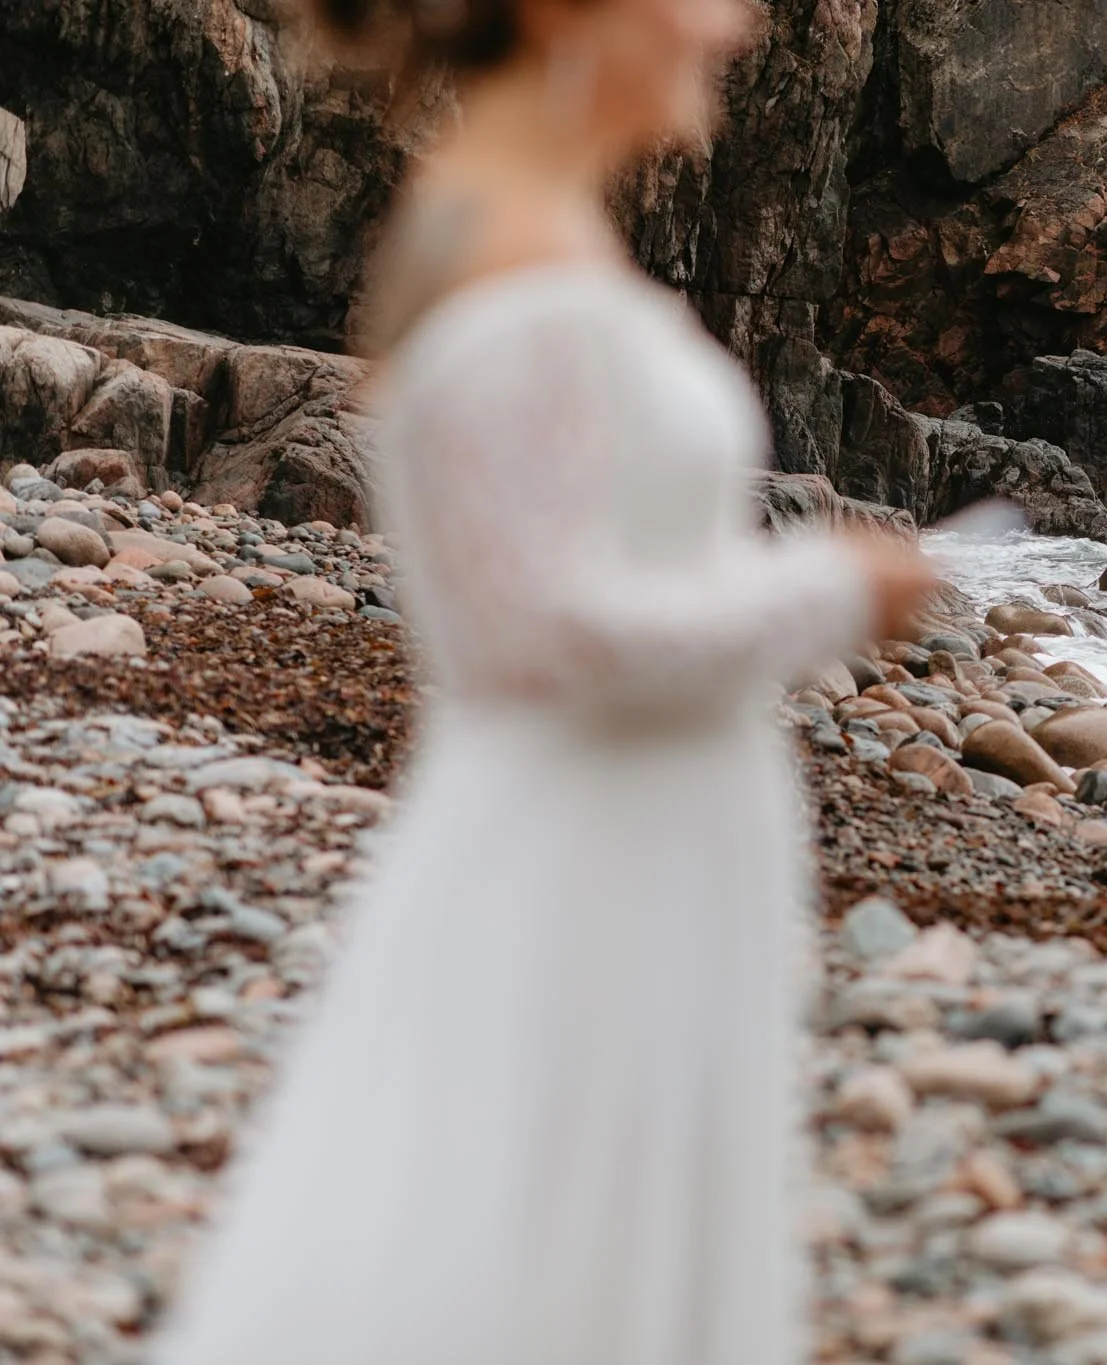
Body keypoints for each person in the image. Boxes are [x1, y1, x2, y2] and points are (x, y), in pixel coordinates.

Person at [154, 0, 938, 1360]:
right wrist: (830, 593)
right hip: (578, 864)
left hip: (639, 854)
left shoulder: (538, 224)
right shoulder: (508, 242)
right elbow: (530, 632)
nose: (739, 25)